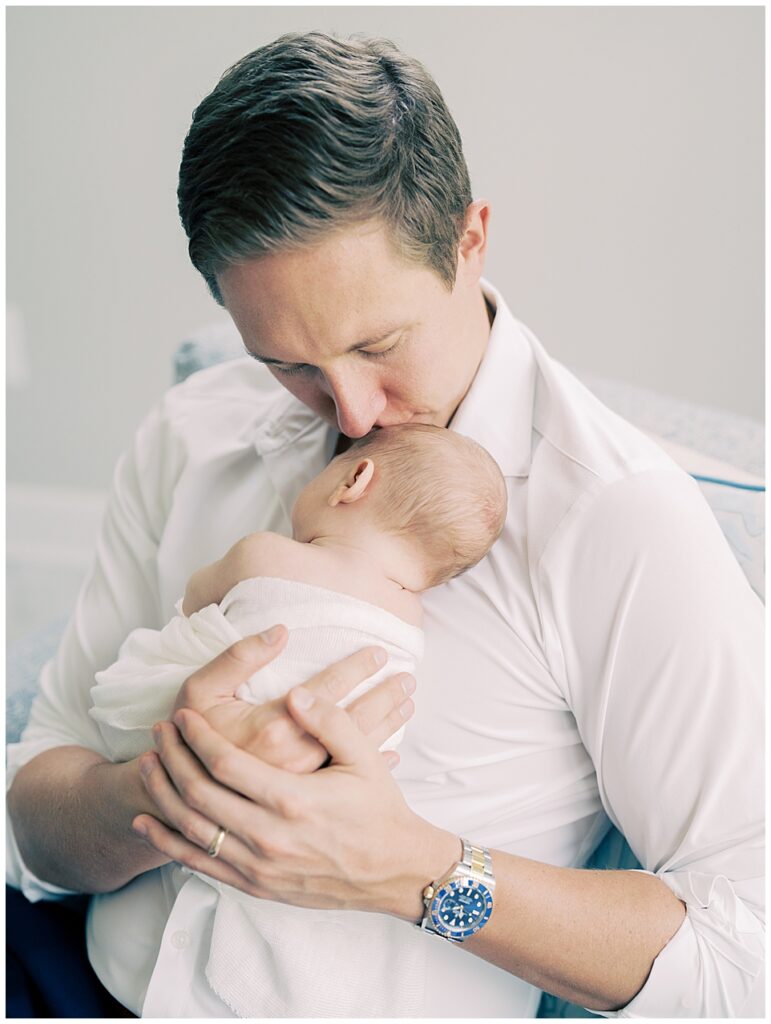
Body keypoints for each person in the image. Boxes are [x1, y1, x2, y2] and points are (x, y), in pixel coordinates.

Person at [7, 30, 763, 1020]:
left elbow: (748, 956)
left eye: (378, 342)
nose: (354, 413)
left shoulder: (614, 519)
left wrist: (411, 872)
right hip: (68, 981)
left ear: (472, 237)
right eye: (291, 364)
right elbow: (36, 806)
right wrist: (160, 796)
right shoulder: (195, 433)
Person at [86, 422, 506, 1016]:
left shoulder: (264, 553)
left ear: (355, 478)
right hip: (327, 793)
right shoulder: (408, 626)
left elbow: (194, 602)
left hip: (202, 742)